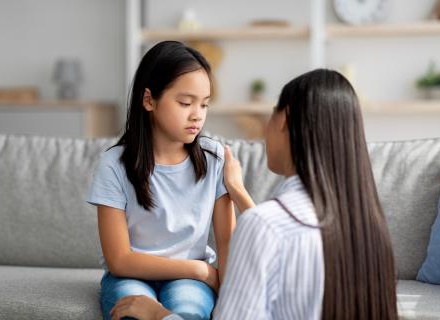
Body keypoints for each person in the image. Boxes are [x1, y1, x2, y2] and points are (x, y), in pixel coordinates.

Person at [108, 69, 399, 320]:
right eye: (186, 102)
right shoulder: (369, 227)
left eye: (273, 111)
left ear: (284, 120)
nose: (197, 114)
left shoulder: (265, 225)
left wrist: (159, 315)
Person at [86, 41, 236, 320]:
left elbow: (227, 243)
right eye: (185, 103)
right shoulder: (114, 164)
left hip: (189, 284)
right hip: (131, 276)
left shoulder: (214, 158)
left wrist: (230, 296)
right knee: (131, 314)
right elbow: (119, 259)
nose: (197, 115)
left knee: (188, 311)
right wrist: (199, 270)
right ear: (149, 100)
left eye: (204, 104)